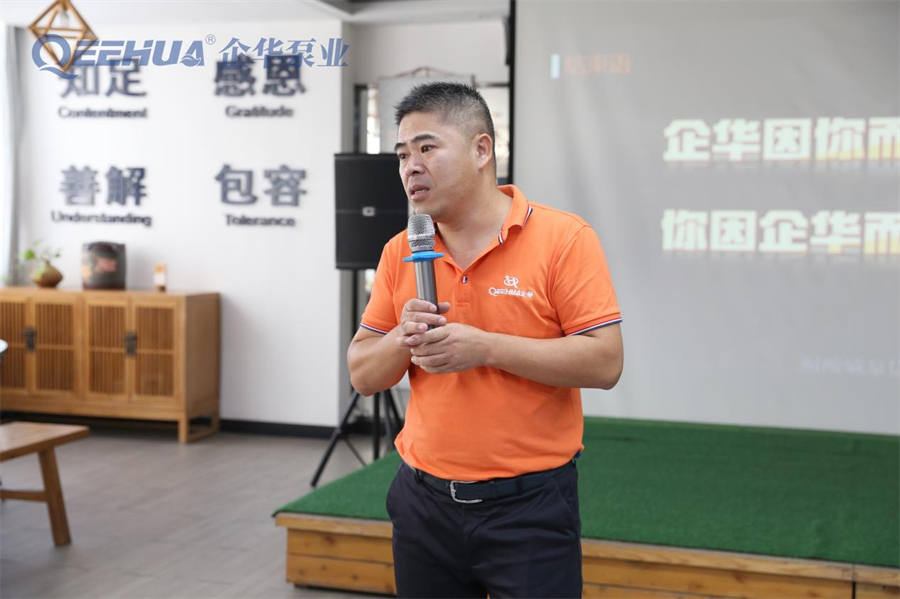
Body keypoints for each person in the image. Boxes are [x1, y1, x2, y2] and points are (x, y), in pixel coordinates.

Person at [347, 82, 623, 599]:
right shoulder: (401, 250)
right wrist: (402, 338)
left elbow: (605, 362)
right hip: (422, 504)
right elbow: (363, 374)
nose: (410, 167)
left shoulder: (563, 238)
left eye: (427, 147)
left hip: (530, 508)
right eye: (402, 154)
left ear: (481, 150)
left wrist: (486, 347)